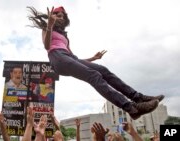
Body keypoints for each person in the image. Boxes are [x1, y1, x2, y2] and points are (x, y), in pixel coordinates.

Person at [27, 6, 164, 120]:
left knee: (102, 70)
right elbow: (46, 46)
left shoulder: (64, 37)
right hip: (57, 57)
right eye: (56, 14)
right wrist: (49, 25)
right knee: (93, 75)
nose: (59, 16)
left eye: (62, 15)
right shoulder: (46, 28)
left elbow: (74, 59)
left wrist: (93, 58)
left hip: (68, 58)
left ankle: (138, 98)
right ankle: (131, 108)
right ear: (51, 15)